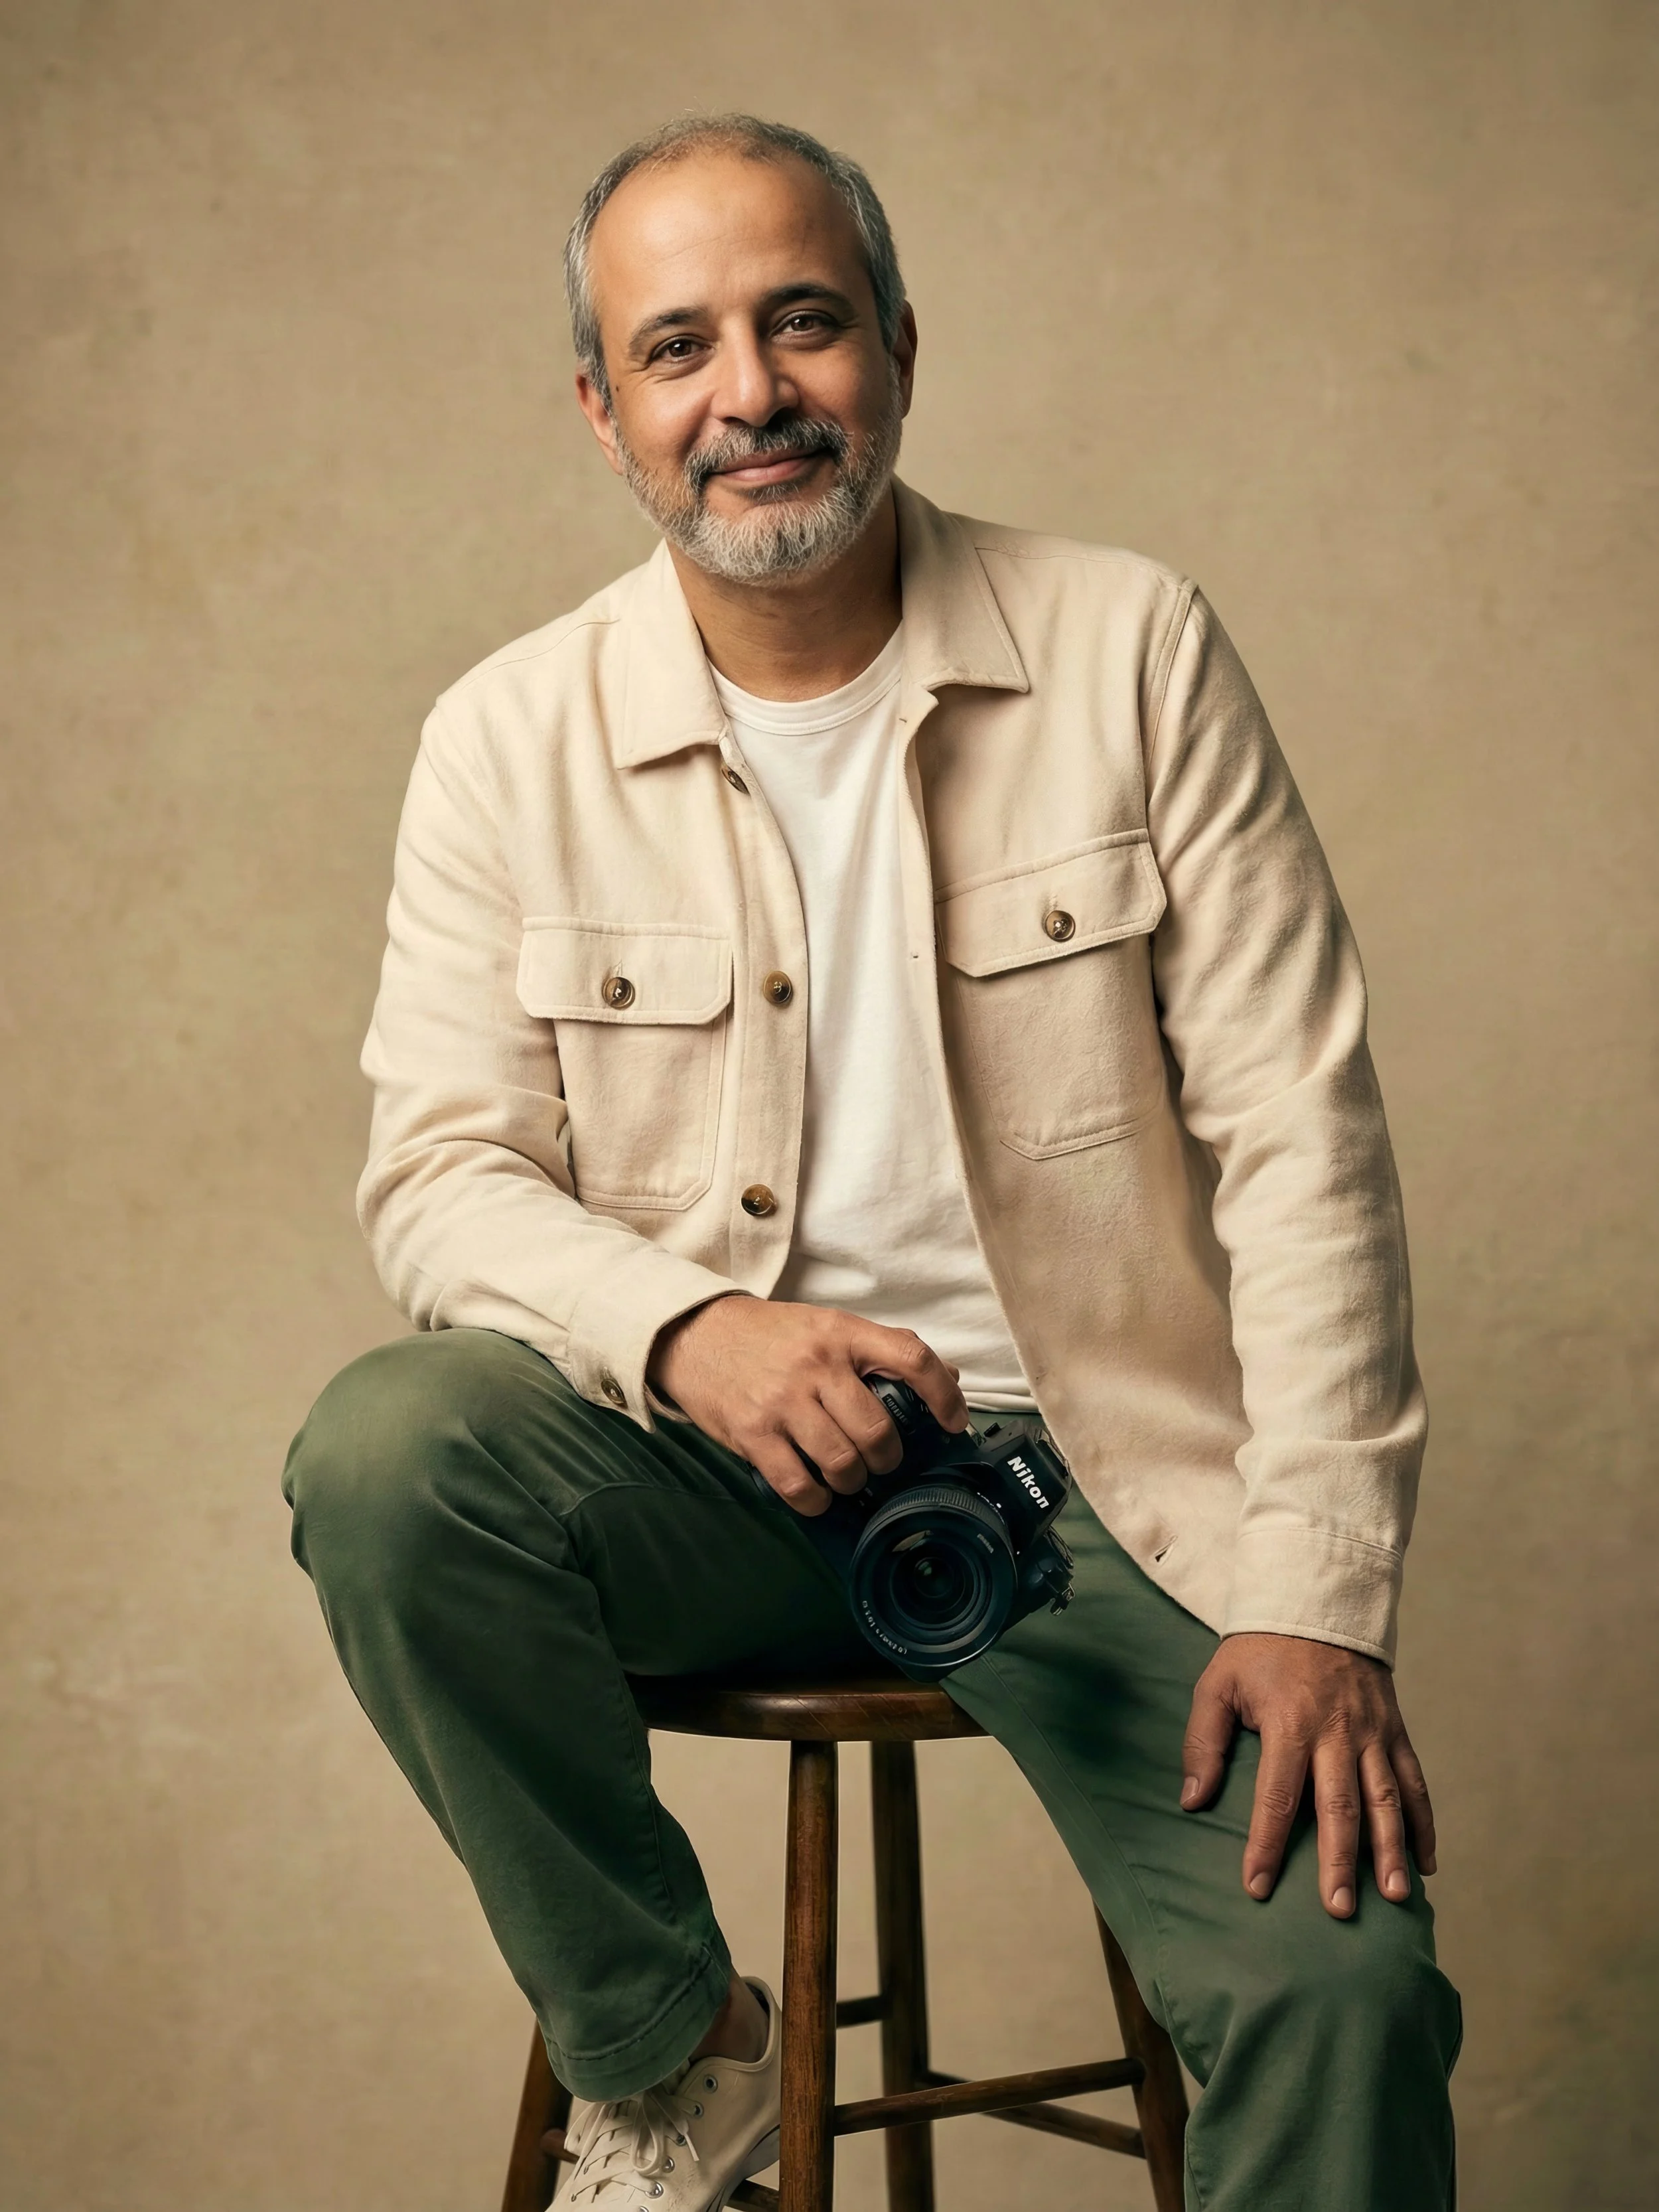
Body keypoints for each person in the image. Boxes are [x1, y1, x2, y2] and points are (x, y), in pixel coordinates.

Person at [283, 113, 1461, 2211]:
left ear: (898, 344)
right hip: (702, 1473)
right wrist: (696, 1332)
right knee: (390, 1459)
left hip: (1099, 1489)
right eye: (677, 349)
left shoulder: (1130, 647)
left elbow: (1305, 1136)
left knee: (1342, 1998)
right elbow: (440, 1176)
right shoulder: (502, 736)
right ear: (602, 412)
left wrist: (1315, 1596)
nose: (749, 393)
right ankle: (675, 2057)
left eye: (801, 320)